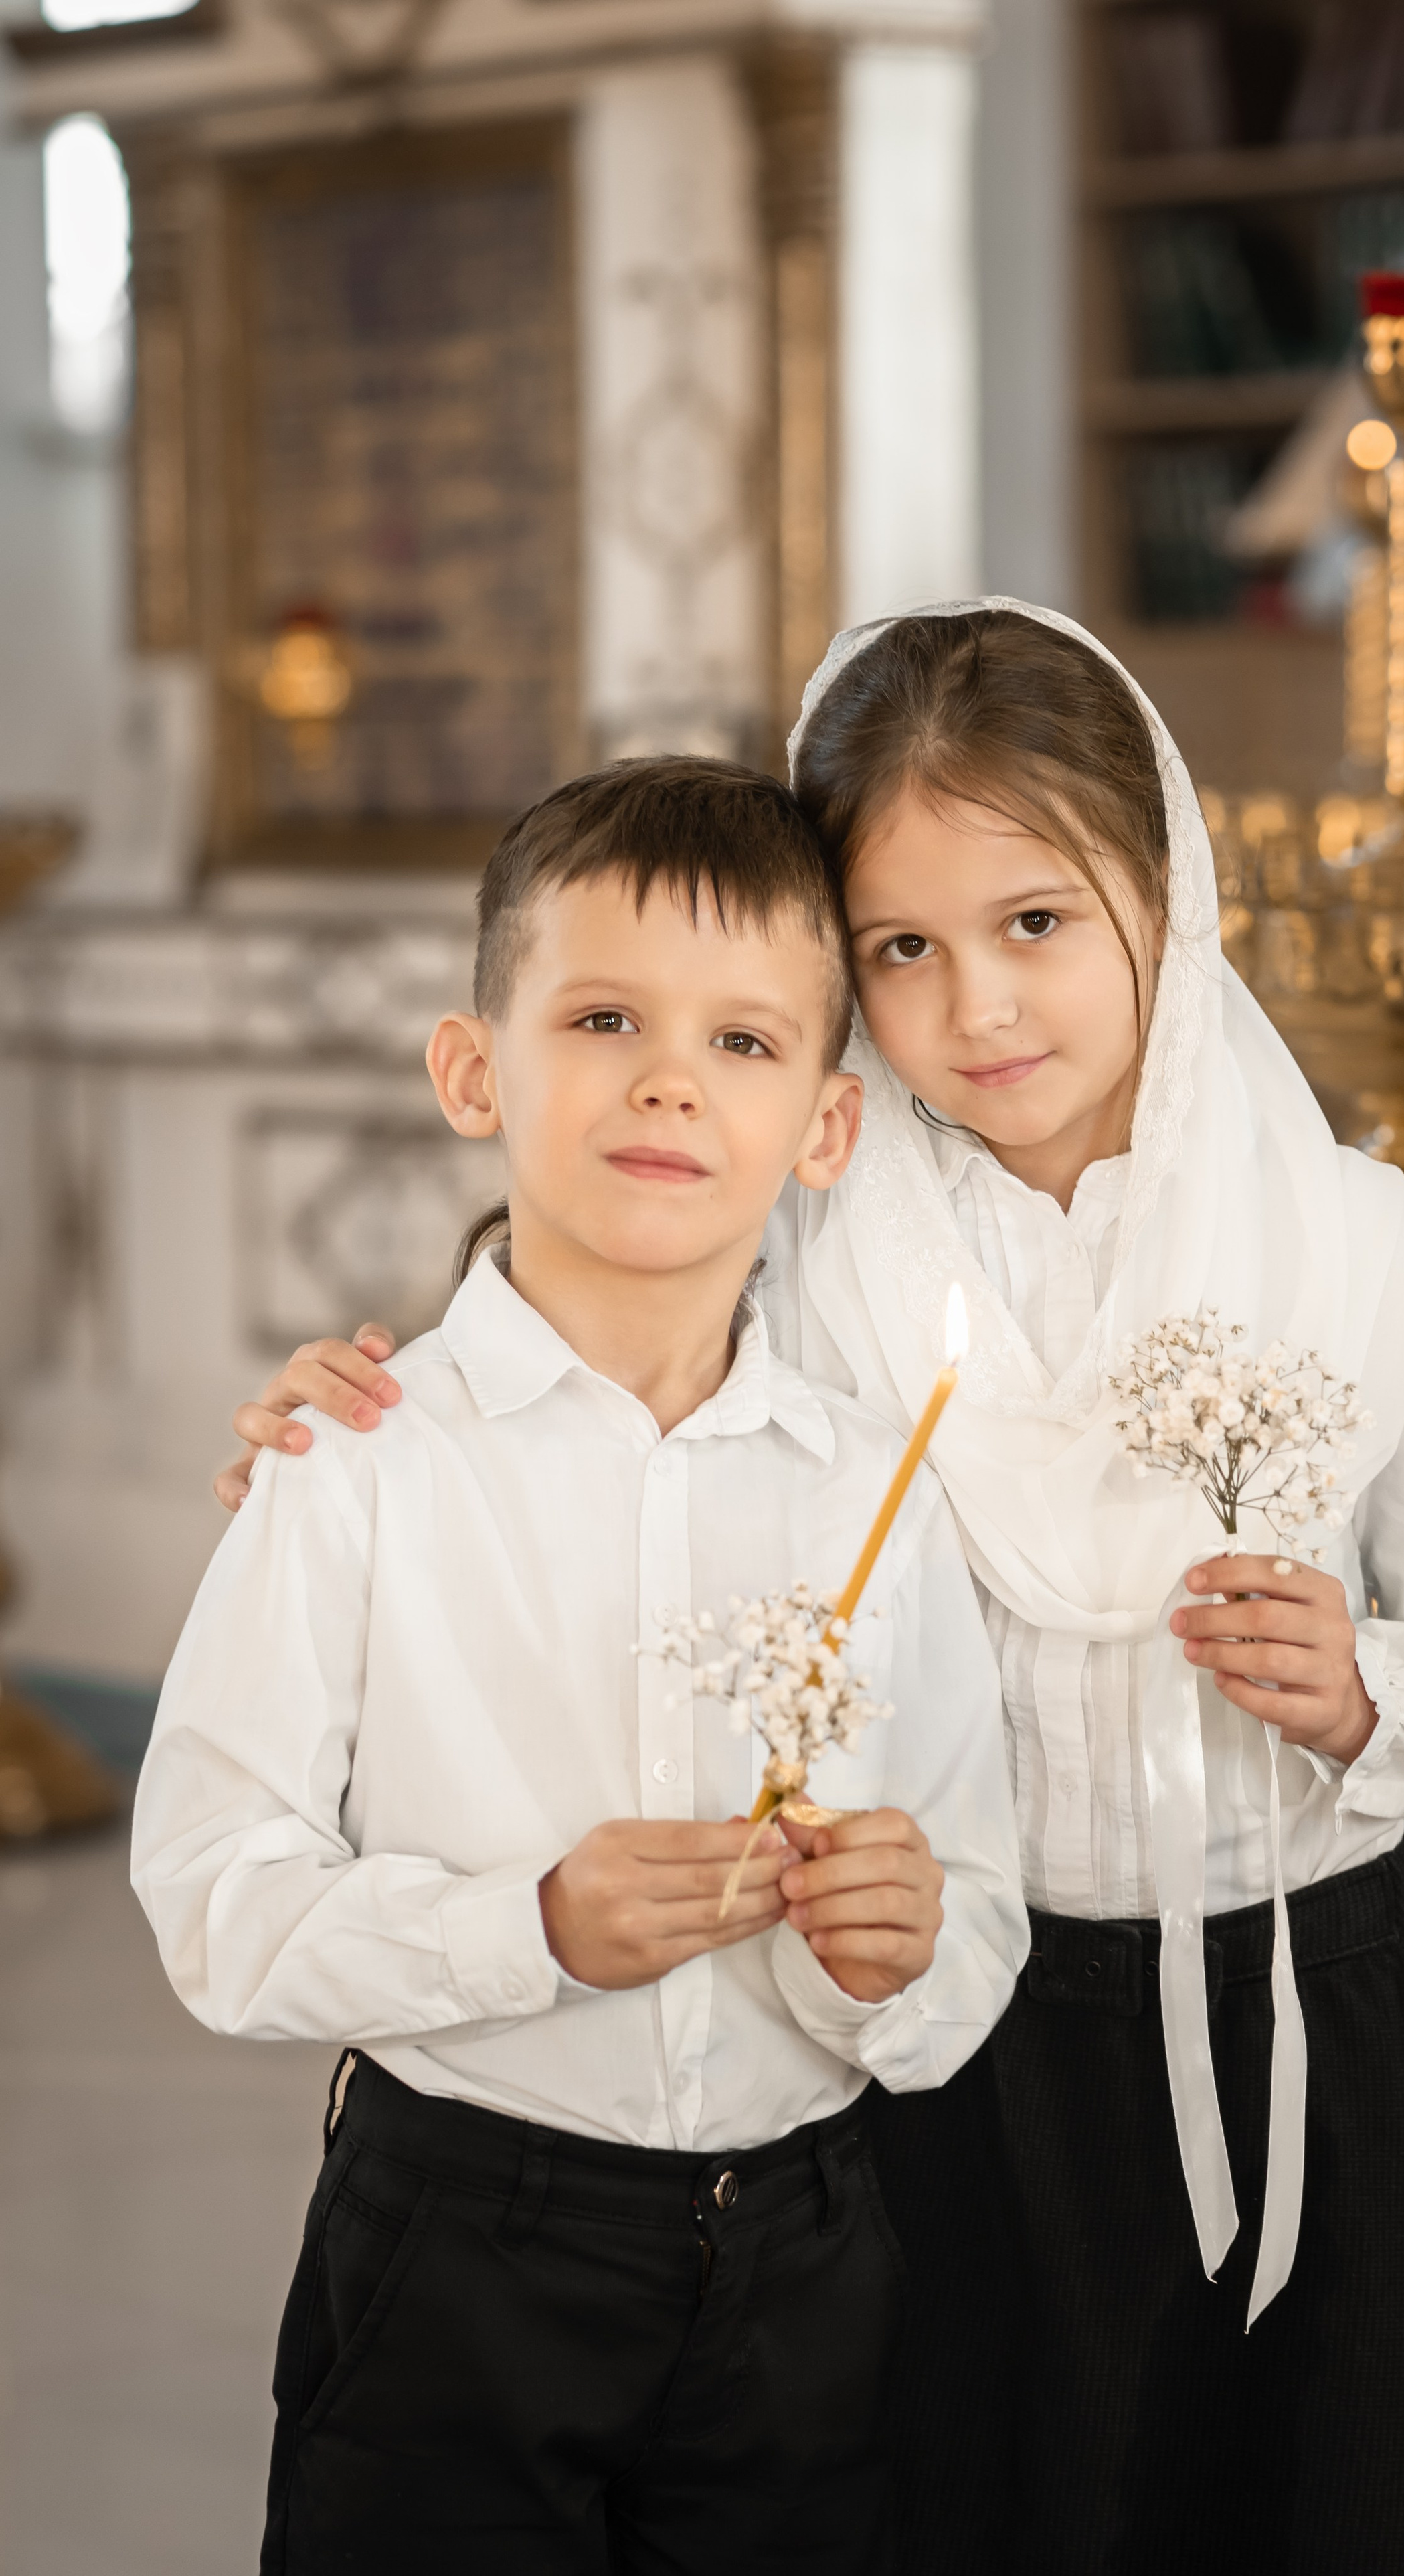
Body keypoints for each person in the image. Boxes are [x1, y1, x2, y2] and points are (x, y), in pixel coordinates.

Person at [220, 608, 1404, 2576]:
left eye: (1038, 920)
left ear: (1166, 883)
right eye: (901, 949)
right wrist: (341, 1396)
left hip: (1323, 2021)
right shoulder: (817, 1230)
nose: (979, 1006)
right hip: (966, 2042)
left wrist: (1373, 1692)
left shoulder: (1370, 1252)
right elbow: (598, 1318)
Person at [135, 756, 1027, 2576]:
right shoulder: (356, 1461)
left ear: (828, 1129)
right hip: (466, 2246)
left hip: (810, 2256)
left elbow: (978, 1906)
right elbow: (218, 1900)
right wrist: (522, 1929)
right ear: (476, 1069)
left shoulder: (881, 1492)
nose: (670, 1081)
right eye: (605, 1016)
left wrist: (908, 1956)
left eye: (748, 1044)